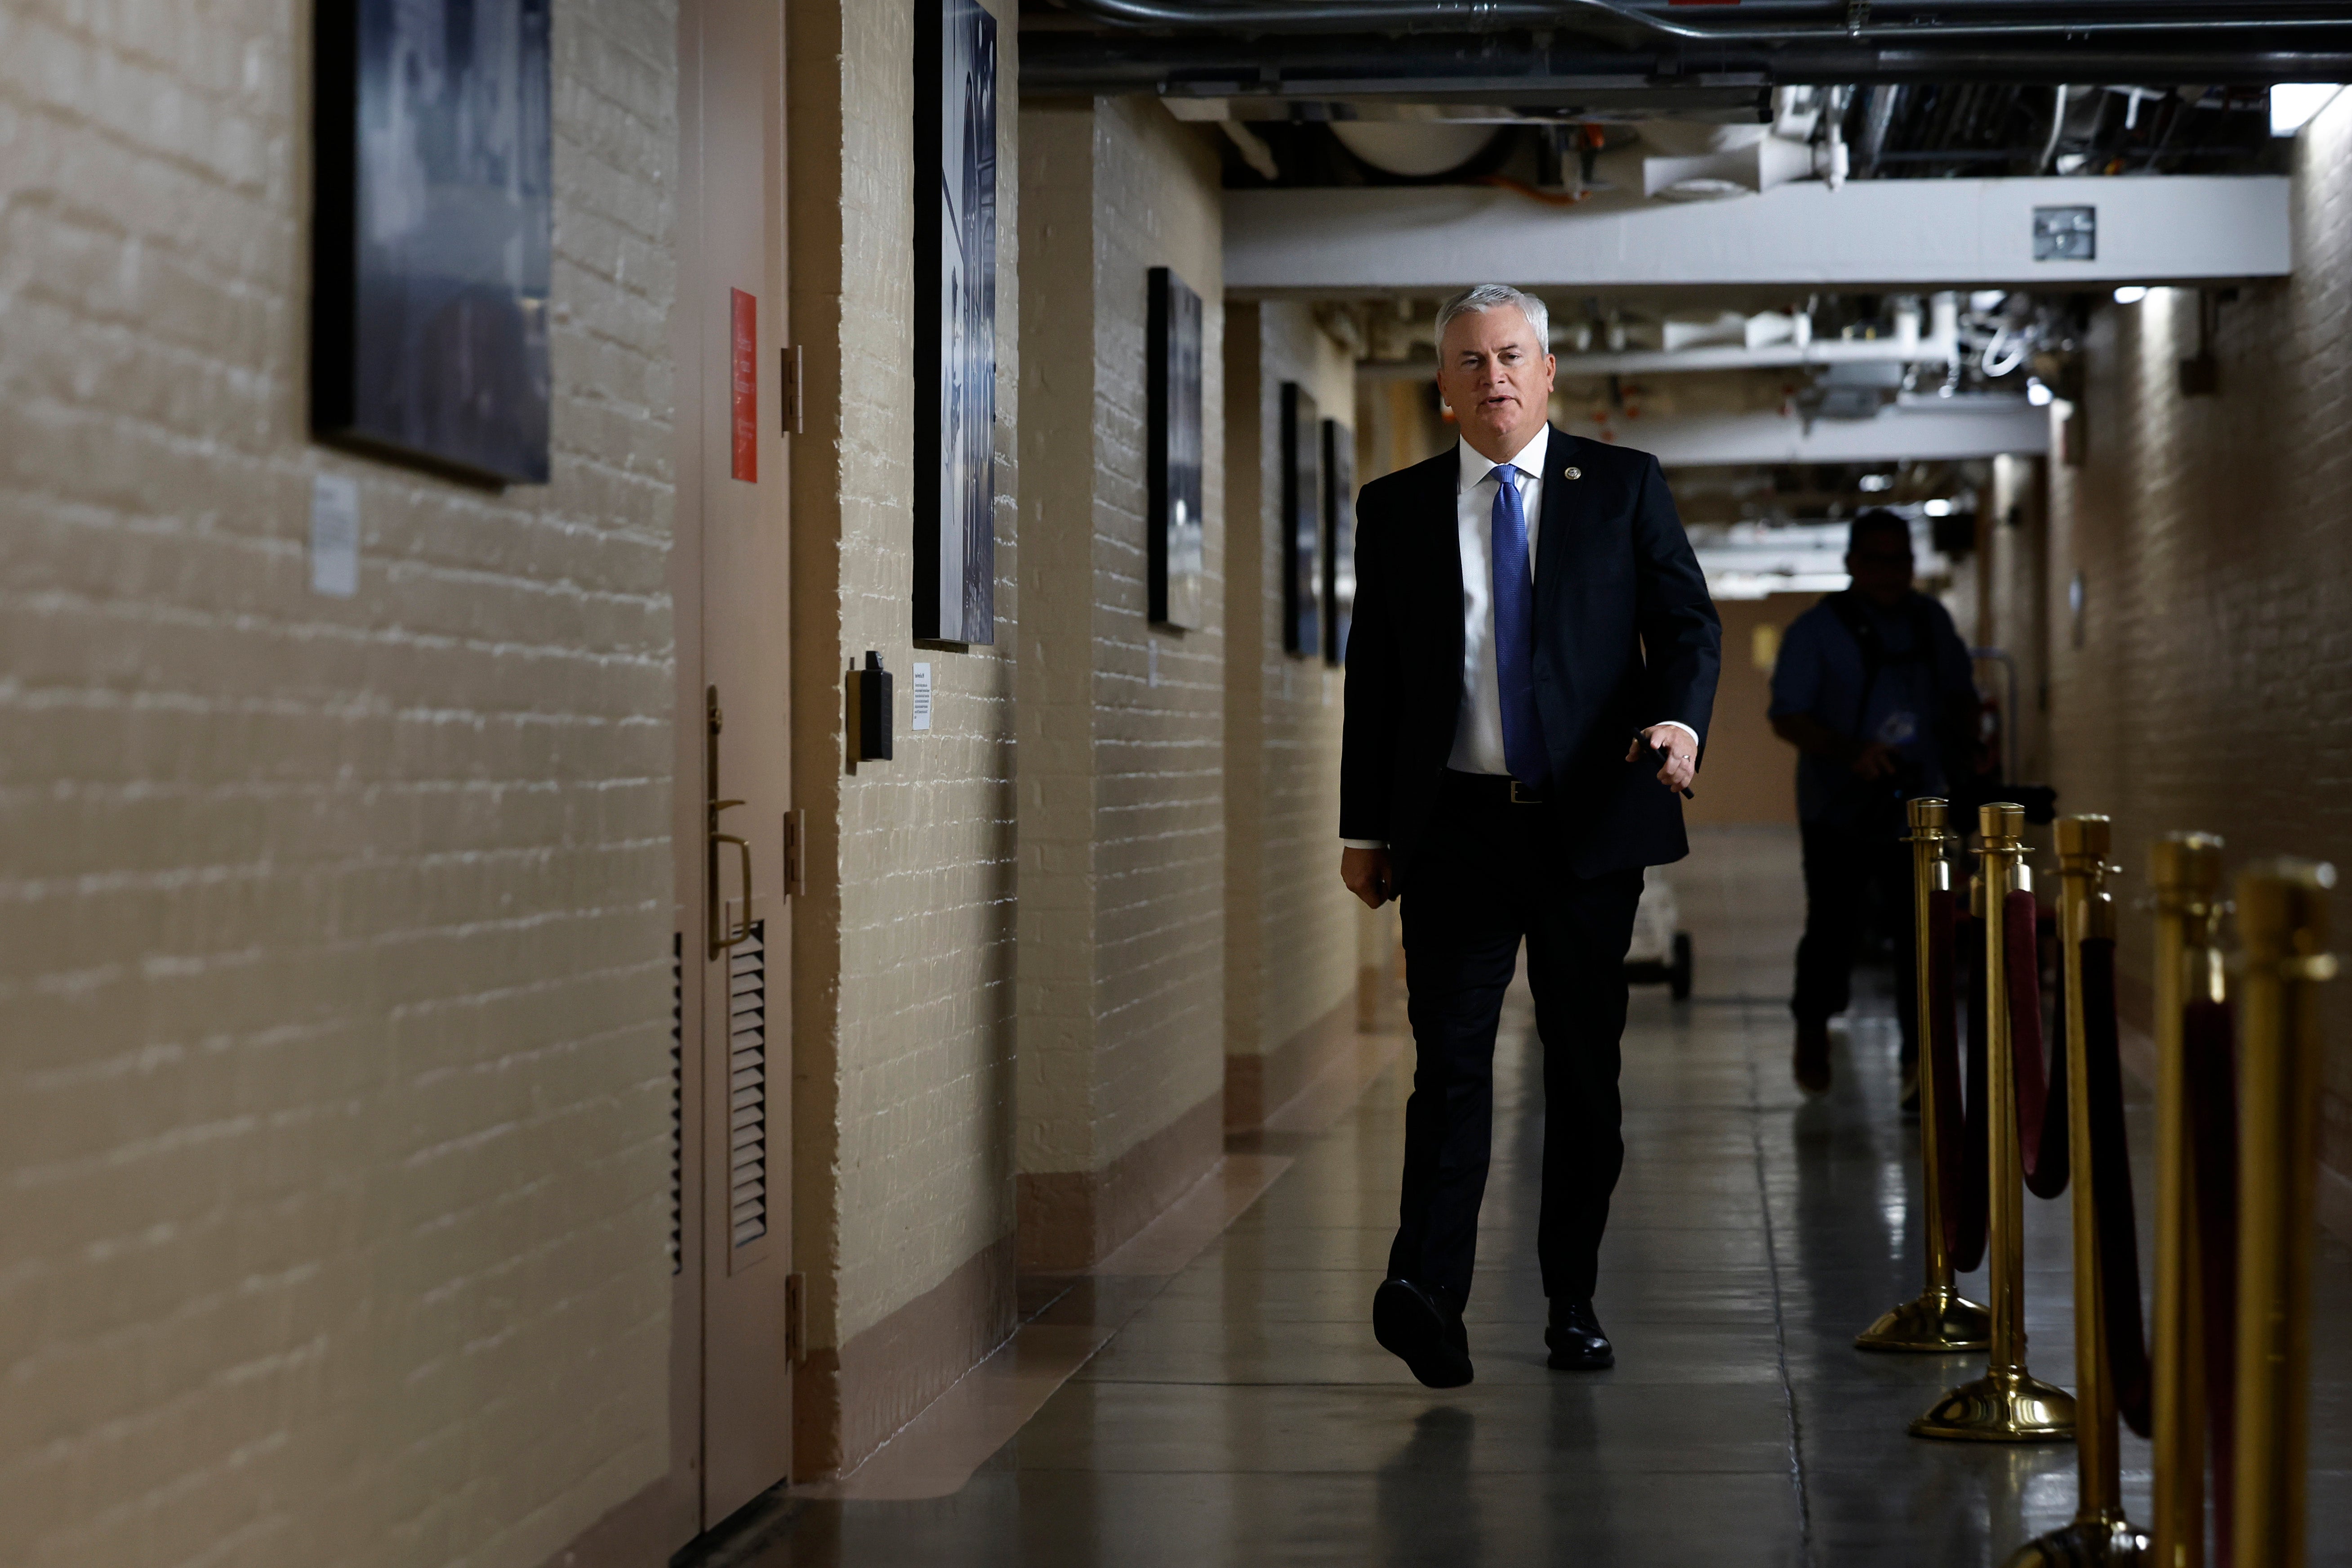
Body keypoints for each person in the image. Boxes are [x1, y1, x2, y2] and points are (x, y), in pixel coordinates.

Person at [1338, 284, 1721, 1390]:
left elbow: (1690, 624)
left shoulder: (1623, 488)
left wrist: (1681, 720)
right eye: (1468, 361)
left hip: (1588, 826)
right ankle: (1429, 1295)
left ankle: (1572, 1294)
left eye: (1511, 356)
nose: (1491, 376)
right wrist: (1367, 829)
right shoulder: (1397, 507)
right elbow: (1379, 682)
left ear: (1549, 373)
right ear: (1444, 390)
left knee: (1582, 1071)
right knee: (1449, 1067)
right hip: (1454, 827)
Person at [1767, 509, 1979, 1100]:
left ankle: (1922, 1063)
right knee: (1832, 929)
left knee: (1922, 935)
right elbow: (1787, 715)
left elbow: (1960, 695)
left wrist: (1969, 756)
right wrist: (1851, 752)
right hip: (1839, 808)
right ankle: (1812, 1028)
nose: (1892, 573)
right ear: (1853, 564)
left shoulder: (1932, 623)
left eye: (1902, 560)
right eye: (1878, 560)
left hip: (1920, 812)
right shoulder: (1817, 632)